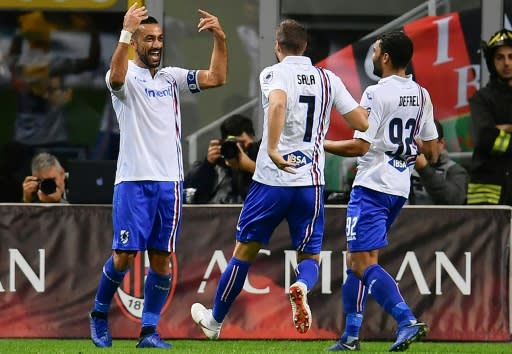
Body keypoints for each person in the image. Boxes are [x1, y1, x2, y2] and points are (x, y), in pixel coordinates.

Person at [190, 19, 368, 339]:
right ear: (305, 47)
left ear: (277, 46)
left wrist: (271, 148)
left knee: (243, 252)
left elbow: (278, 103)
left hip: (271, 181)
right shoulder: (328, 79)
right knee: (309, 256)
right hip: (310, 182)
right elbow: (361, 122)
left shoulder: (273, 73)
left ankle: (215, 321)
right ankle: (300, 285)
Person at [88, 3, 227, 349]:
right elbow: (117, 77)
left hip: (170, 184)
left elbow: (216, 77)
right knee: (124, 257)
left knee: (162, 260)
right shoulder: (121, 77)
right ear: (135, 42)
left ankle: (149, 332)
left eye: (160, 38)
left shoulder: (171, 78)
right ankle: (98, 314)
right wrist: (124, 31)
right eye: (149, 38)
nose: (156, 45)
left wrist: (220, 39)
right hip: (133, 181)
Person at [324, 30, 438, 352]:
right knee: (358, 260)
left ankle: (406, 320)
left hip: (372, 186)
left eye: (375, 50)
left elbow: (360, 146)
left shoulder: (375, 93)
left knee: (361, 263)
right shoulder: (421, 94)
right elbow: (431, 150)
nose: (373, 55)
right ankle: (349, 338)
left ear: (385, 57)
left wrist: (322, 144)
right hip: (399, 188)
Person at [467, 29, 512, 206]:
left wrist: (501, 129)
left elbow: (493, 136)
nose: (506, 63)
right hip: (487, 193)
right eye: (500, 57)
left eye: (511, 56)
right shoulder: (481, 98)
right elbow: (485, 139)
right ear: (492, 62)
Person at [184, 114, 261, 203]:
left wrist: (250, 166)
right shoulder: (216, 165)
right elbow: (190, 195)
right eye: (234, 144)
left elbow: (276, 183)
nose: (238, 148)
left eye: (242, 143)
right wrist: (208, 165)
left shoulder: (260, 160)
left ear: (252, 138)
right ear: (224, 143)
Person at [409, 119, 469, 205]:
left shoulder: (455, 171)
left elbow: (455, 201)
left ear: (441, 143)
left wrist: (424, 168)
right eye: (416, 141)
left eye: (426, 141)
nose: (420, 146)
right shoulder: (407, 167)